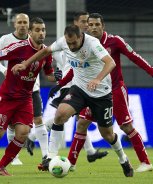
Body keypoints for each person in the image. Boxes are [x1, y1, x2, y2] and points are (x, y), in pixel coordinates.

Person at [12, 24, 134, 177]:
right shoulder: (64, 42)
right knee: (60, 115)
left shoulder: (92, 43)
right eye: (68, 43)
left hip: (101, 94)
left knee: (107, 134)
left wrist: (97, 79)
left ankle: (123, 159)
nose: (71, 46)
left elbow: (111, 63)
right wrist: (25, 63)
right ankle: (50, 157)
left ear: (81, 37)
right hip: (79, 89)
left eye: (74, 43)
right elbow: (45, 51)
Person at [55, 13, 153, 173]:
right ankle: (71, 163)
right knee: (82, 123)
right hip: (91, 92)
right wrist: (61, 82)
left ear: (103, 26)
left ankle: (145, 162)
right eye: (90, 24)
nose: (92, 27)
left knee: (126, 126)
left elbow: (134, 57)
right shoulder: (83, 44)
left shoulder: (115, 41)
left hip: (115, 90)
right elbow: (77, 69)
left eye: (96, 25)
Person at [0, 17, 56, 176]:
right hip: (8, 96)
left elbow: (49, 75)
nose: (41, 33)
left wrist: (57, 76)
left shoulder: (46, 52)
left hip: (25, 98)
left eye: (43, 30)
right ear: (30, 32)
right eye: (37, 30)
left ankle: (0, 167)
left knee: (23, 132)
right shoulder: (18, 47)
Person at [41, 12, 108, 167]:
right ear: (76, 23)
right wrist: (56, 76)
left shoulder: (90, 42)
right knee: (66, 117)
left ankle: (89, 152)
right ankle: (36, 136)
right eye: (84, 21)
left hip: (86, 86)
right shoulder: (65, 42)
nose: (87, 24)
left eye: (89, 22)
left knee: (80, 120)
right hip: (70, 85)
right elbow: (52, 58)